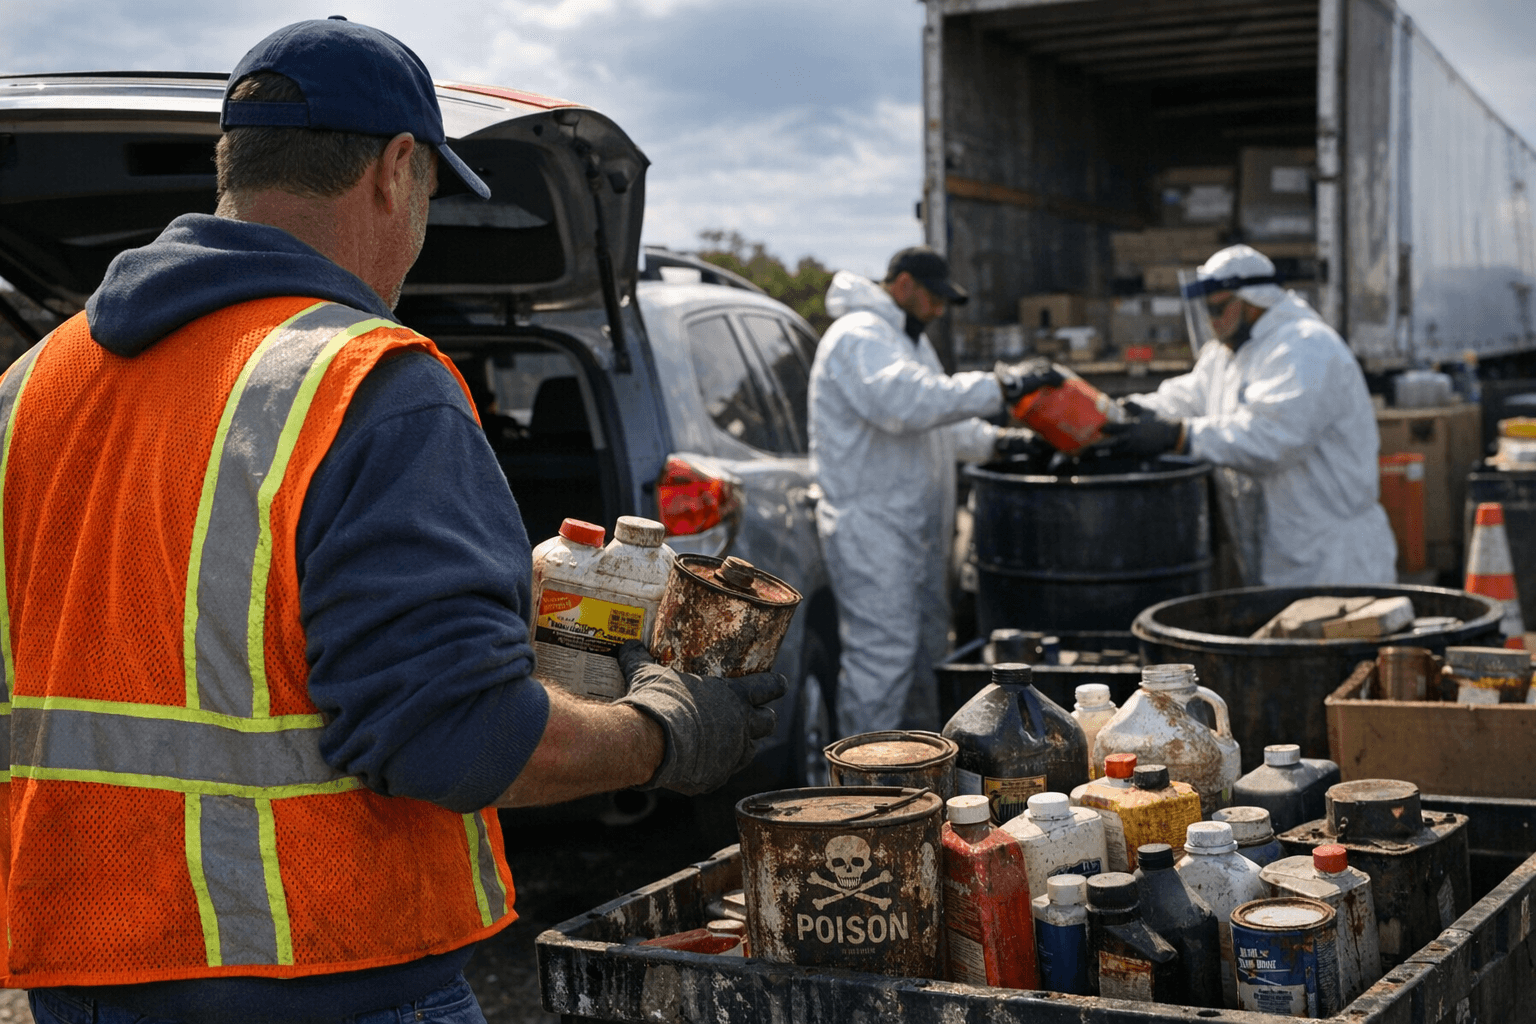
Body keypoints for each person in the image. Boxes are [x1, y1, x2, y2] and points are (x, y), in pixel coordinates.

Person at [2, 19, 782, 1024]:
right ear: (397, 168)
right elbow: (451, 737)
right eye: (430, 191)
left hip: (81, 980)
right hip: (322, 974)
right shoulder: (366, 382)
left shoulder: (33, 384)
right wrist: (662, 732)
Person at [808, 246, 1060, 738]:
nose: (940, 310)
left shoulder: (907, 341)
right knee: (882, 658)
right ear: (904, 285)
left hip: (911, 528)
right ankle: (864, 773)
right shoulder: (859, 335)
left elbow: (938, 420)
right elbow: (907, 404)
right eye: (935, 297)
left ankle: (921, 763)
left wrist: (1000, 442)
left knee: (926, 654)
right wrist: (1003, 386)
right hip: (872, 528)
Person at [1103, 244, 1396, 586]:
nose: (1211, 321)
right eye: (1206, 310)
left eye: (1218, 309)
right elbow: (1187, 398)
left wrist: (1180, 435)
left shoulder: (1305, 347)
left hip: (1332, 563)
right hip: (1279, 557)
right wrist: (1122, 412)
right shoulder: (1227, 355)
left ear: (1253, 302)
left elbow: (1272, 439)